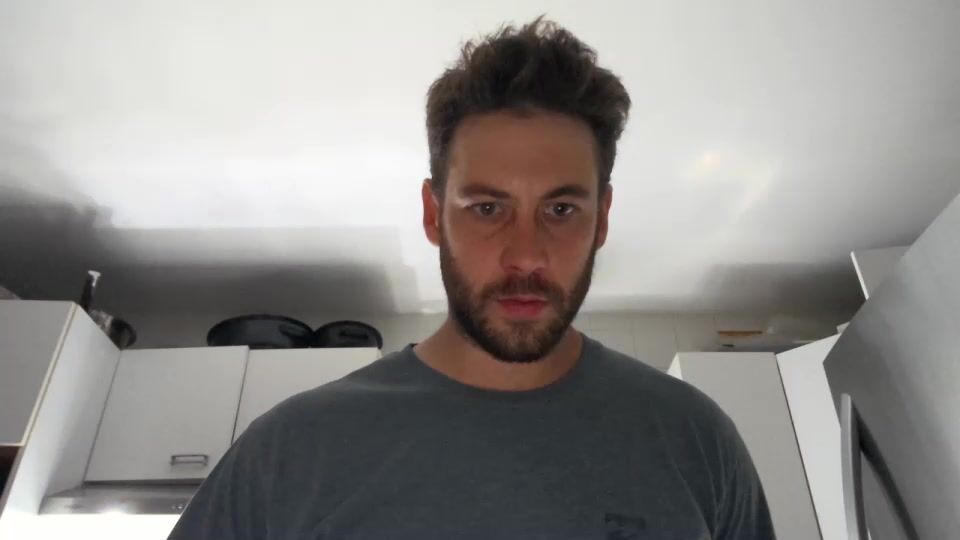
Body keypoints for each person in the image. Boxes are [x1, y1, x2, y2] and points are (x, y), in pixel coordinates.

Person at [168, 17, 776, 540]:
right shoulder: (290, 453)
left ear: (603, 219)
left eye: (561, 209)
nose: (526, 256)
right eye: (487, 208)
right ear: (434, 215)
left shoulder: (696, 441)